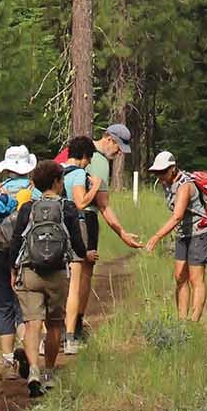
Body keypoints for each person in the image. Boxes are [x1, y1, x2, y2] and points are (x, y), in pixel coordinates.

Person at [9, 159, 93, 398]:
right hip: (56, 273)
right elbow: (77, 243)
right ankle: (48, 373)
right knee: (55, 324)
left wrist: (13, 269)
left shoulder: (28, 208)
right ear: (57, 182)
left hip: (30, 272)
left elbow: (16, 241)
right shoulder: (67, 207)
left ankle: (33, 371)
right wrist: (86, 253)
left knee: (32, 323)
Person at [66, 122, 142, 345]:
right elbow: (103, 205)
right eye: (118, 147)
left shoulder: (76, 151)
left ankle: (62, 326)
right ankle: (75, 327)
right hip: (85, 219)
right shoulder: (98, 162)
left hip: (62, 216)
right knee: (83, 274)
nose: (119, 153)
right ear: (108, 139)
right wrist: (122, 233)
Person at [0, 144, 36, 375]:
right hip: (26, 255)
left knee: (3, 304)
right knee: (24, 306)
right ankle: (29, 354)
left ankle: (8, 363)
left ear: (7, 168)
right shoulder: (34, 191)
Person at [145, 151, 207, 322]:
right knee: (179, 276)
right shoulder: (166, 183)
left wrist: (156, 237)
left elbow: (177, 216)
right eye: (157, 172)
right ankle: (182, 320)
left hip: (199, 232)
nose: (160, 176)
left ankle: (194, 320)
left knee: (195, 278)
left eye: (163, 172)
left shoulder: (185, 185)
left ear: (173, 169)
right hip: (182, 233)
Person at [60, 135, 97, 355]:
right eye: (88, 158)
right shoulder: (79, 174)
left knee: (57, 285)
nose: (88, 162)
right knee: (74, 285)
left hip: (53, 233)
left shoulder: (55, 171)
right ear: (83, 156)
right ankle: (70, 336)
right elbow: (80, 202)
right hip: (73, 230)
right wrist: (95, 187)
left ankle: (48, 337)